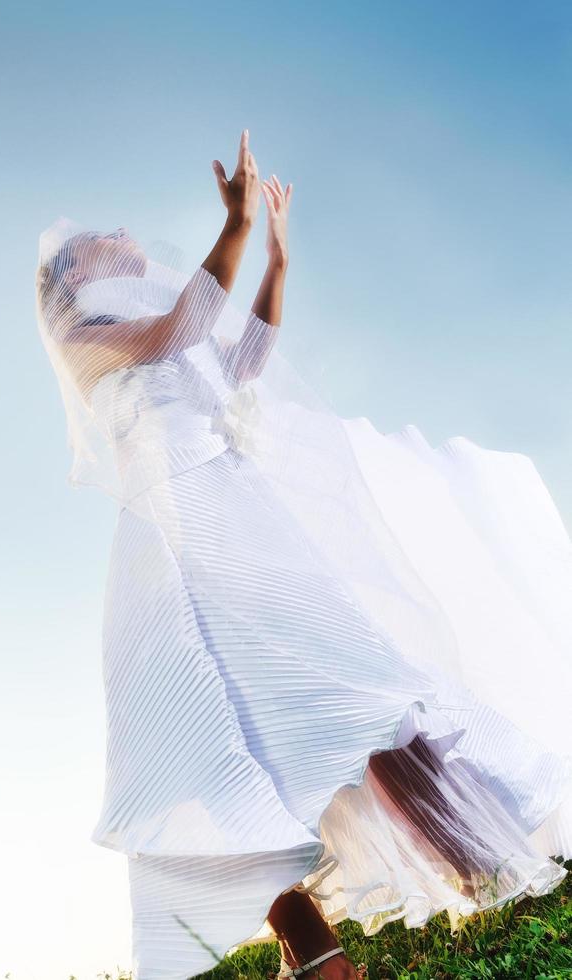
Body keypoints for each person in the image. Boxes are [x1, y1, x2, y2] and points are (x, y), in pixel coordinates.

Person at [36, 130, 572, 980]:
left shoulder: (156, 324)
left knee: (358, 688)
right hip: (176, 539)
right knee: (212, 739)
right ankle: (314, 954)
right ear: (74, 276)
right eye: (112, 244)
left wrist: (275, 255)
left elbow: (240, 358)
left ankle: (478, 866)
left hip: (236, 516)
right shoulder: (88, 338)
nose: (131, 244)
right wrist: (238, 227)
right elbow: (182, 324)